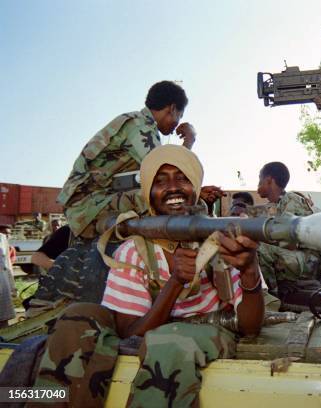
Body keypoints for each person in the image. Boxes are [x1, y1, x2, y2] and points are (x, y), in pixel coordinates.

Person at [31, 144, 264, 407]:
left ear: (196, 185)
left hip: (204, 331)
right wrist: (175, 282)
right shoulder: (135, 250)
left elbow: (249, 327)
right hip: (149, 330)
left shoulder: (222, 241)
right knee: (77, 315)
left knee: (168, 342)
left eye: (182, 178)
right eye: (160, 181)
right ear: (148, 193)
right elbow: (131, 332)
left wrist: (249, 270)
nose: (173, 187)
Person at [29, 82, 197, 309]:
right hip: (89, 206)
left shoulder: (134, 122)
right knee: (168, 197)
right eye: (179, 115)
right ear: (172, 108)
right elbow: (168, 171)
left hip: (92, 203)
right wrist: (189, 141)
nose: (177, 123)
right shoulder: (141, 125)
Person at [254, 161, 321, 298]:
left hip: (311, 261)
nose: (257, 184)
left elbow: (288, 241)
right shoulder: (278, 205)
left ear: (269, 181)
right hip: (302, 258)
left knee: (259, 249)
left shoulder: (291, 199)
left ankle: (272, 299)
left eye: (260, 180)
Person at [0, 224, 16, 328]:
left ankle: (5, 341)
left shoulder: (2, 239)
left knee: (4, 317)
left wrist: (12, 286)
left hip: (3, 281)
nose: (7, 236)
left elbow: (7, 264)